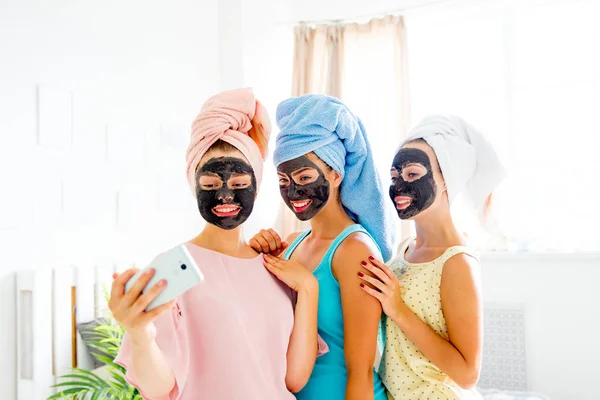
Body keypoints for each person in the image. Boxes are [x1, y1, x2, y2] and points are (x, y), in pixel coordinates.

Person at [109, 88, 323, 400]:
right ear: (194, 187)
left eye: (239, 185)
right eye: (210, 185)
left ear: (257, 188)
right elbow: (159, 390)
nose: (225, 196)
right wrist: (140, 334)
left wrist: (308, 289)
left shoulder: (276, 266)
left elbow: (294, 379)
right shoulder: (173, 269)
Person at [251, 94, 398, 400]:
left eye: (305, 176)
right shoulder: (292, 245)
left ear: (335, 173)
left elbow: (361, 370)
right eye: (283, 180)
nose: (294, 191)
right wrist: (254, 257)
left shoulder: (355, 251)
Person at [359, 115, 505, 399]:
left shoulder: (457, 262)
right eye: (394, 176)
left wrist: (399, 310)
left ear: (446, 180)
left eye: (412, 174)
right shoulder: (403, 250)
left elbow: (467, 374)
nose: (399, 186)